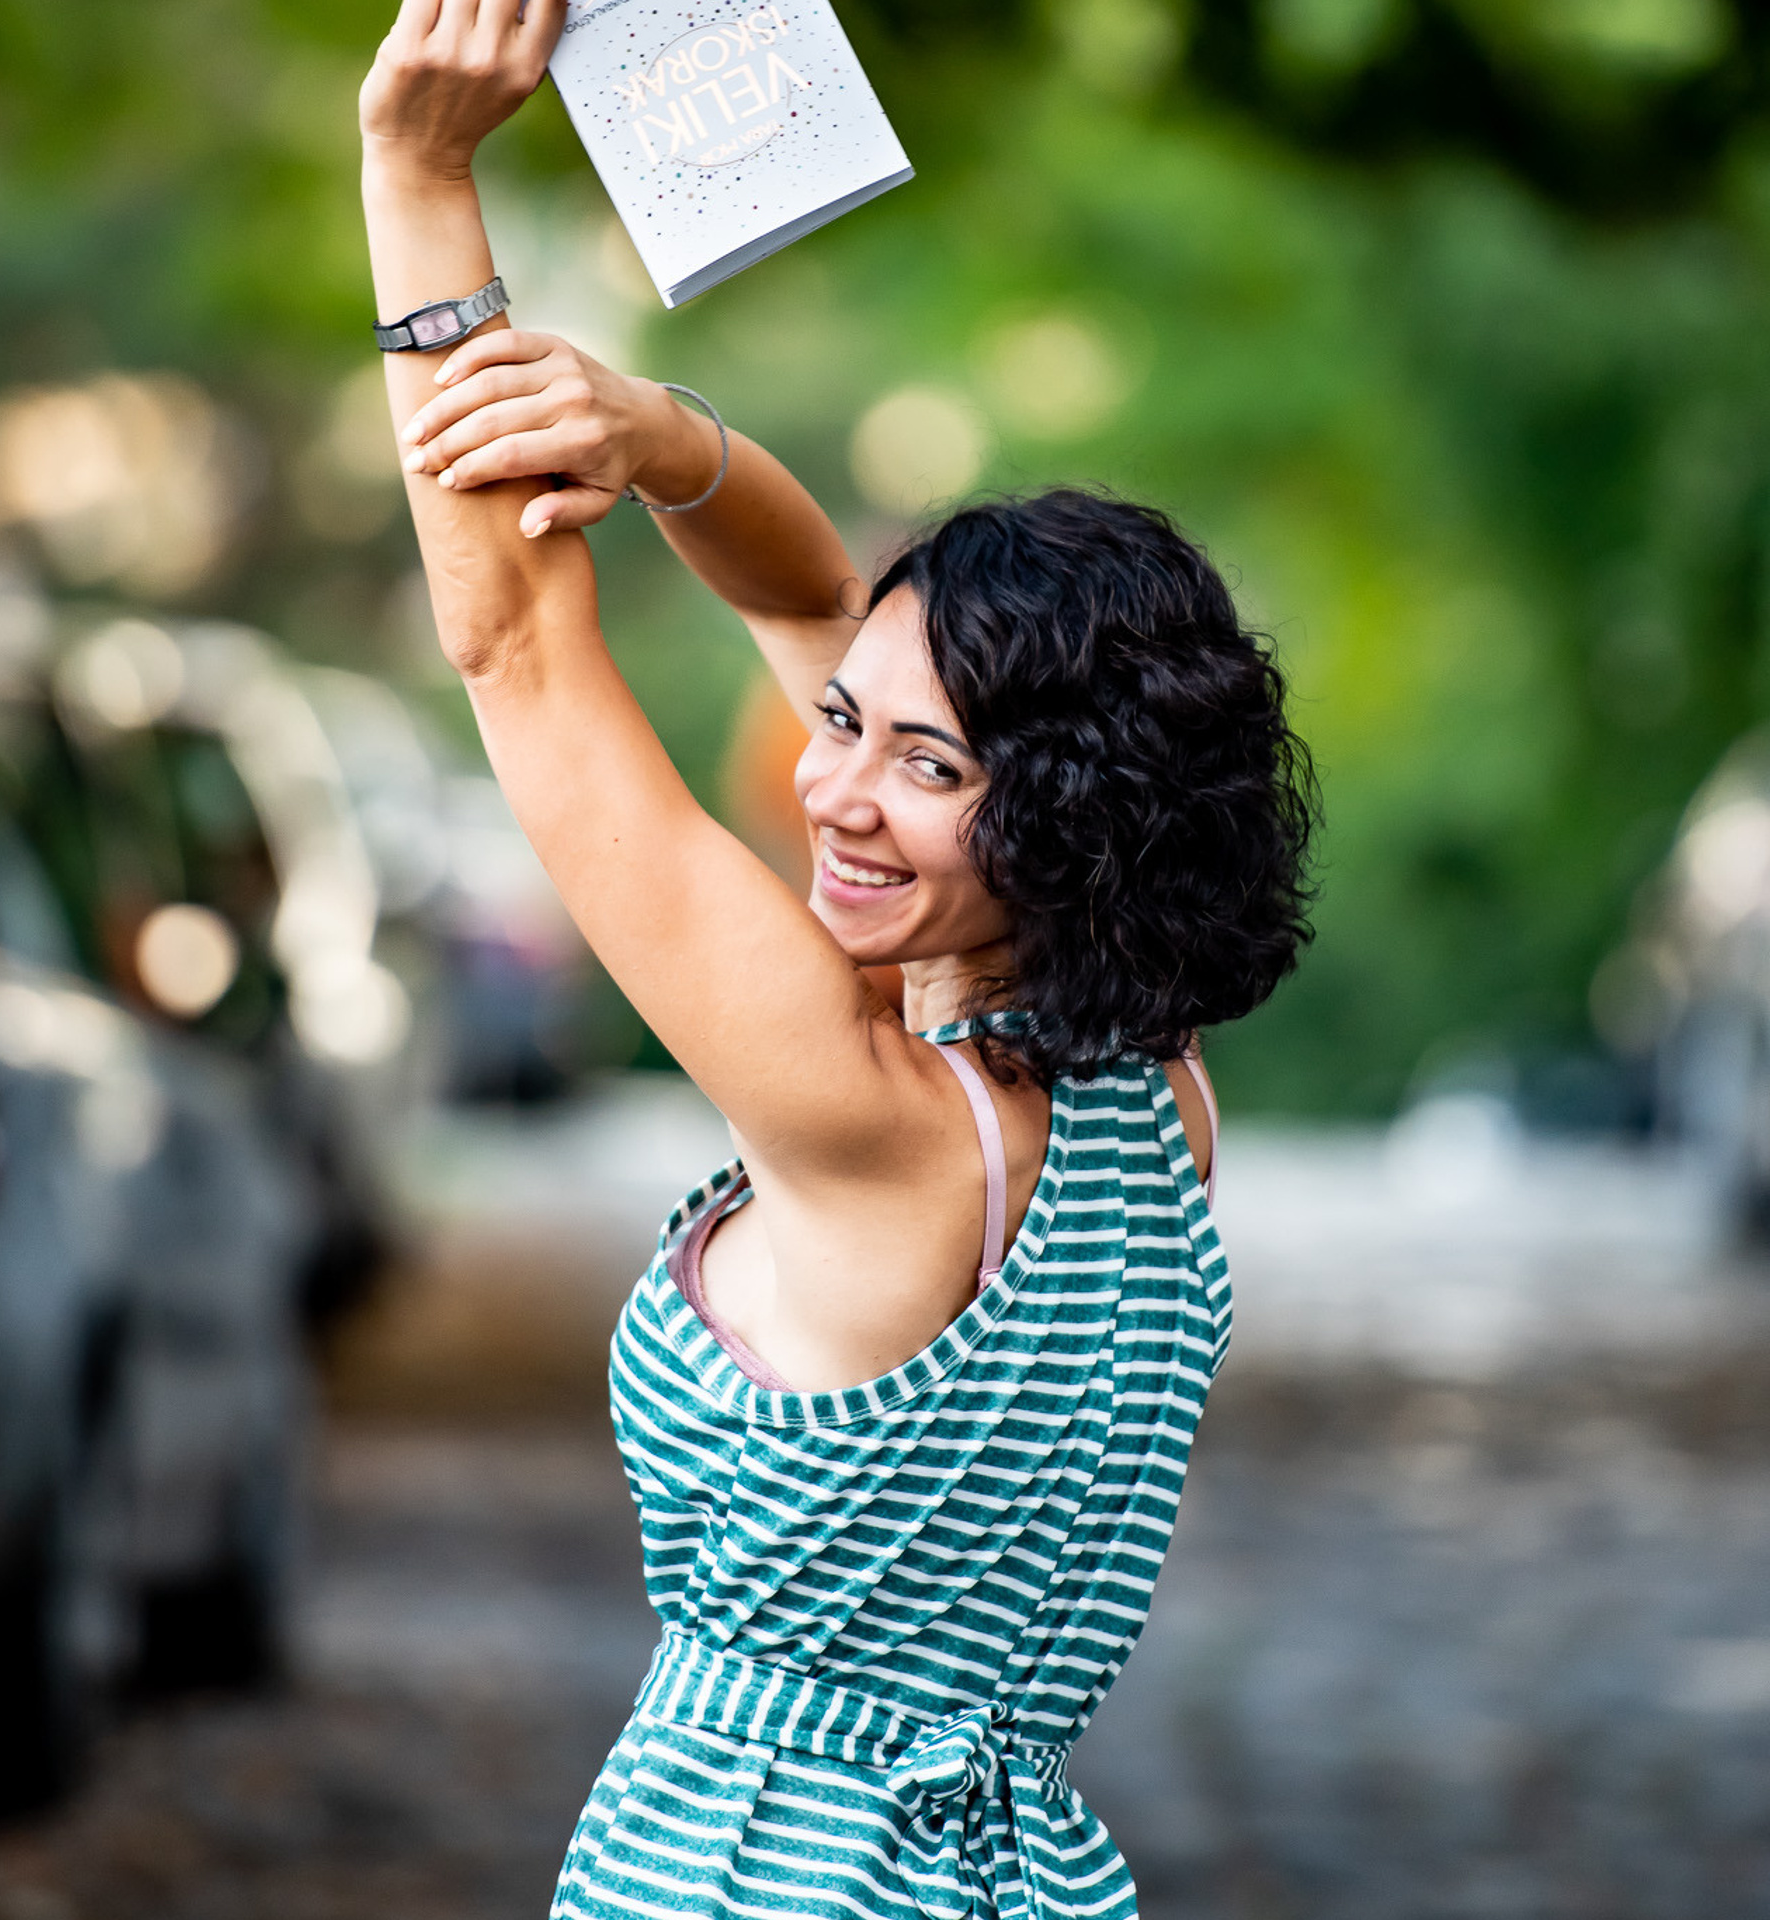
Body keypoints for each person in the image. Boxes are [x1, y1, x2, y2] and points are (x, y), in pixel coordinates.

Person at [358, 3, 1316, 1914]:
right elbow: (812, 593)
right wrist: (660, 438)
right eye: (845, 725)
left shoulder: (874, 1118)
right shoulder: (1157, 1095)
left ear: (1061, 819)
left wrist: (420, 178)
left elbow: (525, 658)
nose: (836, 794)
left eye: (927, 763)